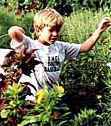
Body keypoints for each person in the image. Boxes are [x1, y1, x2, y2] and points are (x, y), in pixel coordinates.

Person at [8, 8, 111, 101]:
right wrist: (20, 31)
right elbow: (13, 32)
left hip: (52, 97)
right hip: (32, 99)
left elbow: (84, 47)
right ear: (39, 30)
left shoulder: (61, 47)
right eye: (51, 30)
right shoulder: (30, 44)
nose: (55, 34)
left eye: (57, 30)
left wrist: (99, 30)